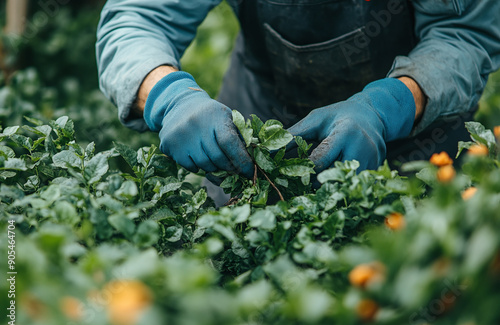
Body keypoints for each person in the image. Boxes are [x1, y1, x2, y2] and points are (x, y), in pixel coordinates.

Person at [96, 1, 500, 185]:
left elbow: (463, 34)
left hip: (415, 131)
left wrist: (387, 107)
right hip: (257, 120)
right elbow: (139, 16)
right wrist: (169, 97)